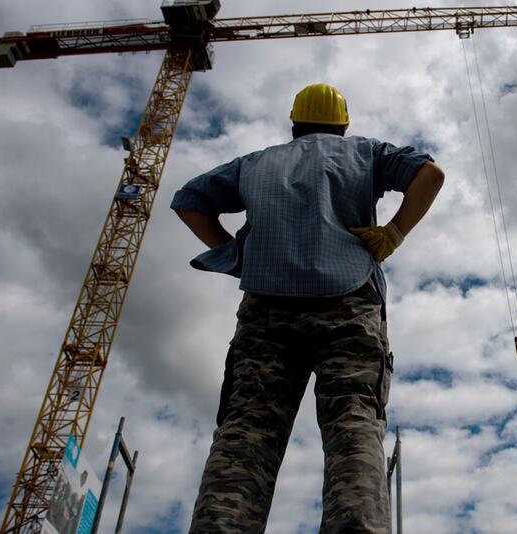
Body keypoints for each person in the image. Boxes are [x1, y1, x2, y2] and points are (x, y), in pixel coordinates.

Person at [171, 83, 444, 533]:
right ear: (343, 124)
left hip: (266, 308)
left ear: (294, 124)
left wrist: (235, 257)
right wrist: (394, 233)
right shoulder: (365, 152)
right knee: (352, 422)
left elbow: (189, 202)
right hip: (350, 301)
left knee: (246, 429)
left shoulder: (255, 163)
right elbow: (430, 175)